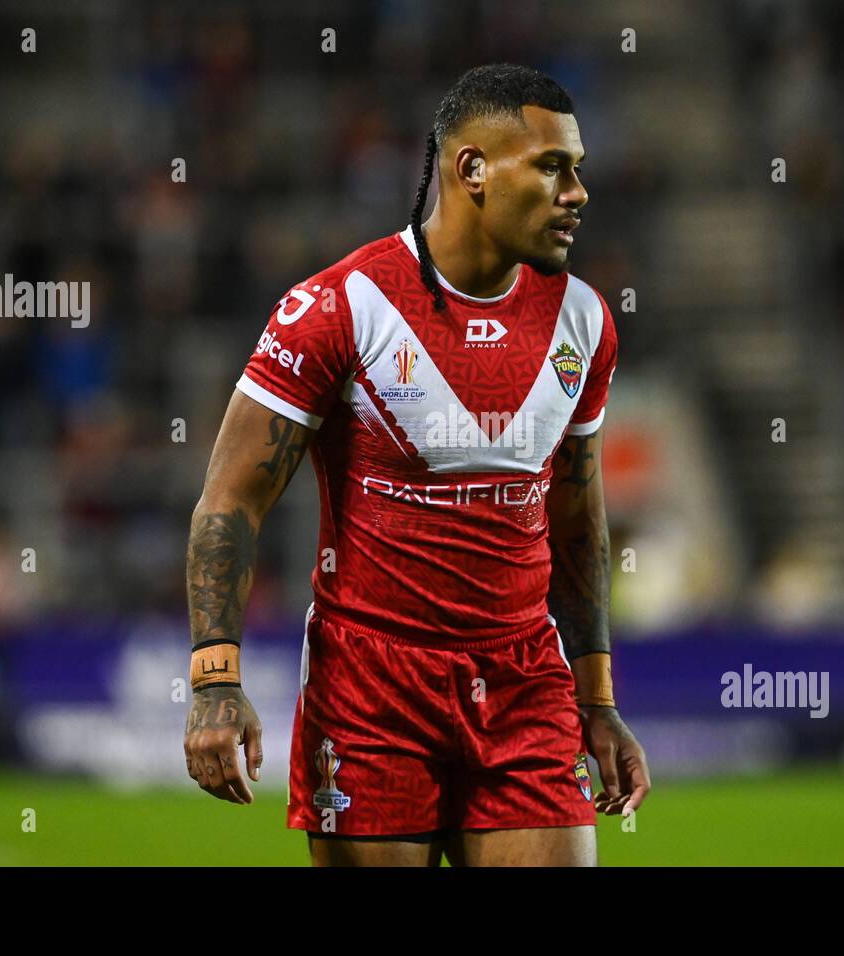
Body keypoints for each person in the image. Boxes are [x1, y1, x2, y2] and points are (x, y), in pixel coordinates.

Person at [184, 63, 649, 866]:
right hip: (370, 690)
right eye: (552, 167)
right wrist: (215, 681)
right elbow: (230, 501)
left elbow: (577, 521)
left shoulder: (584, 320)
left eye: (578, 169)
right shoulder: (340, 308)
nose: (577, 192)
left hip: (525, 680)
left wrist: (596, 698)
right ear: (471, 170)